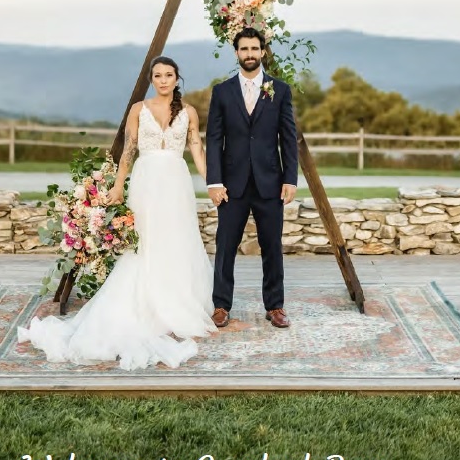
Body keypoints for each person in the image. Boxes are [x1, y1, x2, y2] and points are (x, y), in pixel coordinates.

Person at [18, 56, 216, 370]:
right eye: (158, 75)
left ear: (178, 79)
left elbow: (197, 151)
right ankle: (145, 304)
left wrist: (213, 183)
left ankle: (174, 302)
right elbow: (129, 149)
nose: (163, 80)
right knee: (146, 242)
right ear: (152, 79)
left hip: (176, 182)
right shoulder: (139, 109)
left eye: (168, 75)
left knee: (176, 239)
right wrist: (119, 185)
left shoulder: (189, 112)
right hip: (146, 179)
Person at [206, 26, 298, 329]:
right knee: (225, 246)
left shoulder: (280, 90)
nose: (249, 54)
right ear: (237, 53)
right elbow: (214, 138)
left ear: (262, 52)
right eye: (244, 49)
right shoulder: (222, 91)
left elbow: (287, 137)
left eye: (254, 49)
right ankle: (221, 305)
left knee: (272, 246)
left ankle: (275, 306)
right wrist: (214, 182)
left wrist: (290, 179)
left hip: (270, 183)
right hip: (231, 185)